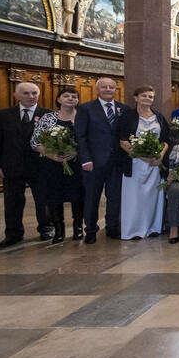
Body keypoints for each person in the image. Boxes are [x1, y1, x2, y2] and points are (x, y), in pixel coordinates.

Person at [0, 81, 50, 247]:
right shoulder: (4, 115)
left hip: (40, 166)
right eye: (26, 93)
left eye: (34, 93)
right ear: (16, 95)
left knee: (43, 199)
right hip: (12, 165)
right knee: (12, 201)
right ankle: (13, 233)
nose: (31, 96)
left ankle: (46, 228)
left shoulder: (48, 114)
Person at [76, 77, 126, 244]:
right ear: (97, 89)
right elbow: (80, 136)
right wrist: (85, 159)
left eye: (111, 87)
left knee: (114, 196)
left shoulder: (122, 109)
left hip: (116, 162)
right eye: (104, 87)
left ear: (115, 89)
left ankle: (112, 227)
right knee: (92, 197)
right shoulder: (85, 108)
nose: (107, 89)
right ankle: (90, 229)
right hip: (94, 162)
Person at [30, 86, 83, 243]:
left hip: (76, 164)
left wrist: (75, 152)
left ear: (78, 101)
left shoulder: (82, 117)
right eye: (66, 96)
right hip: (52, 165)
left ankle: (78, 228)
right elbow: (34, 141)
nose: (70, 99)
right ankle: (59, 230)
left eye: (74, 96)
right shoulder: (47, 118)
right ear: (59, 99)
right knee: (54, 197)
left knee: (78, 197)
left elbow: (89, 140)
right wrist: (50, 154)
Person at [117, 85, 170, 240]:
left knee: (152, 197)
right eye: (144, 96)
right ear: (136, 98)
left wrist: (160, 155)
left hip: (155, 165)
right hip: (134, 163)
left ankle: (153, 227)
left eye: (151, 97)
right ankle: (133, 230)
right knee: (134, 198)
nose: (147, 99)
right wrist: (143, 157)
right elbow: (122, 141)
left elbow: (167, 139)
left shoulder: (159, 116)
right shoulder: (127, 117)